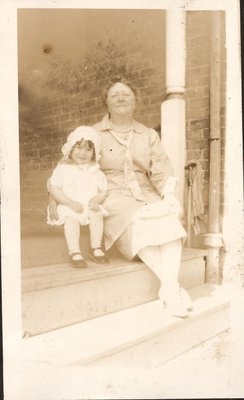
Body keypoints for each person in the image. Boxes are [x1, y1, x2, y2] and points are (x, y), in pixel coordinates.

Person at [49, 76, 193, 317]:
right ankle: (173, 289)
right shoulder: (93, 133)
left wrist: (167, 195)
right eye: (114, 95)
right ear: (105, 102)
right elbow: (68, 163)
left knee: (168, 222)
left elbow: (160, 168)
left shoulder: (147, 134)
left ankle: (169, 289)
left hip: (146, 193)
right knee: (138, 224)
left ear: (136, 101)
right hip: (111, 194)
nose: (121, 98)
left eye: (126, 94)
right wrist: (54, 197)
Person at [47, 126, 109, 268]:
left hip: (88, 205)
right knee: (71, 218)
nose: (83, 153)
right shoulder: (63, 169)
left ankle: (96, 247)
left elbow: (104, 190)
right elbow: (54, 188)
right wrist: (69, 202)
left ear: (94, 153)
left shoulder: (95, 171)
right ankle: (74, 252)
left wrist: (96, 200)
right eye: (79, 148)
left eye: (88, 149)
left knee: (97, 212)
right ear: (71, 149)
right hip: (69, 205)